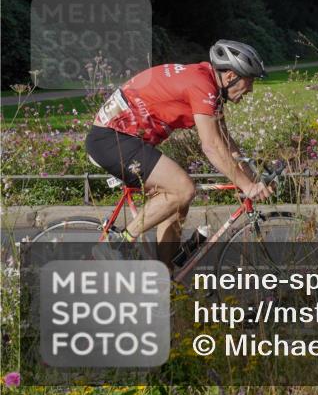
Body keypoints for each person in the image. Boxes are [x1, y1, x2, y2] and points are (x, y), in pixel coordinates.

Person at [86, 40, 273, 266]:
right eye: (249, 81)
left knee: (177, 203)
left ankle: (165, 278)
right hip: (111, 138)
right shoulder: (201, 85)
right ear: (231, 76)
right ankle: (116, 244)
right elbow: (211, 146)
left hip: (126, 140)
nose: (250, 89)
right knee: (182, 188)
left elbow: (225, 142)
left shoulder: (208, 85)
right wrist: (247, 186)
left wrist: (252, 179)